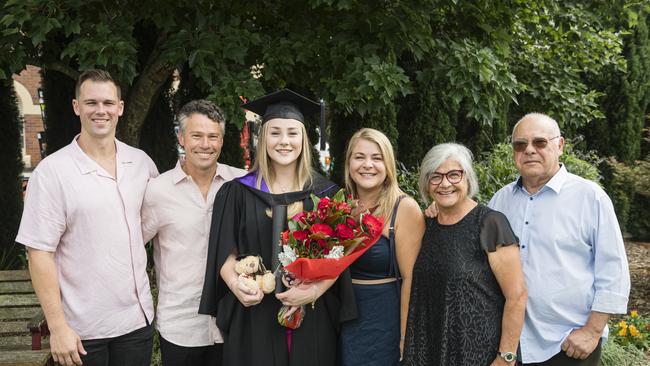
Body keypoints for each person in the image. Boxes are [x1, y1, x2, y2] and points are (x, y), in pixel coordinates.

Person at [199, 89, 357, 366]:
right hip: (254, 311)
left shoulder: (327, 196)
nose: (284, 141)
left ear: (304, 140)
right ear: (262, 139)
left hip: (311, 313)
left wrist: (314, 291)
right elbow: (225, 251)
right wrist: (237, 286)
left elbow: (339, 257)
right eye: (275, 133)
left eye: (292, 133)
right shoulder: (237, 193)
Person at [15, 69, 157, 366]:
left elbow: (152, 223)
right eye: (91, 102)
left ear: (120, 107)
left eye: (108, 102)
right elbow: (39, 252)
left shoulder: (141, 163)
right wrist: (57, 328)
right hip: (82, 330)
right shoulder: (54, 172)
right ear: (77, 107)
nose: (100, 110)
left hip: (136, 321)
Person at [488, 113, 630, 365]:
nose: (529, 150)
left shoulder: (590, 197)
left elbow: (613, 271)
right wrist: (438, 211)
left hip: (568, 344)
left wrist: (592, 332)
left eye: (540, 142)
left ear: (560, 145)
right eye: (520, 145)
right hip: (510, 343)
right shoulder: (501, 201)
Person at [141, 100, 246, 365]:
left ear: (222, 140)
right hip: (181, 326)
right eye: (196, 135)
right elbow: (132, 250)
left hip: (233, 322)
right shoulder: (157, 191)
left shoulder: (241, 184)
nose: (205, 144)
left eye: (213, 136)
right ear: (181, 137)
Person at [403, 143, 527, 366]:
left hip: (479, 353)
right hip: (431, 346)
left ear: (468, 178)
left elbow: (516, 296)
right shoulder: (427, 224)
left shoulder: (490, 223)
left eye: (454, 175)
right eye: (435, 177)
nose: (445, 184)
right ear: (426, 183)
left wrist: (506, 357)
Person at [339, 128, 425, 365]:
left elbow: (410, 279)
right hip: (341, 317)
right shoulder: (339, 206)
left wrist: (405, 336)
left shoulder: (404, 208)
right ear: (348, 164)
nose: (368, 165)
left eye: (376, 158)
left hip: (383, 320)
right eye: (359, 157)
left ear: (388, 165)